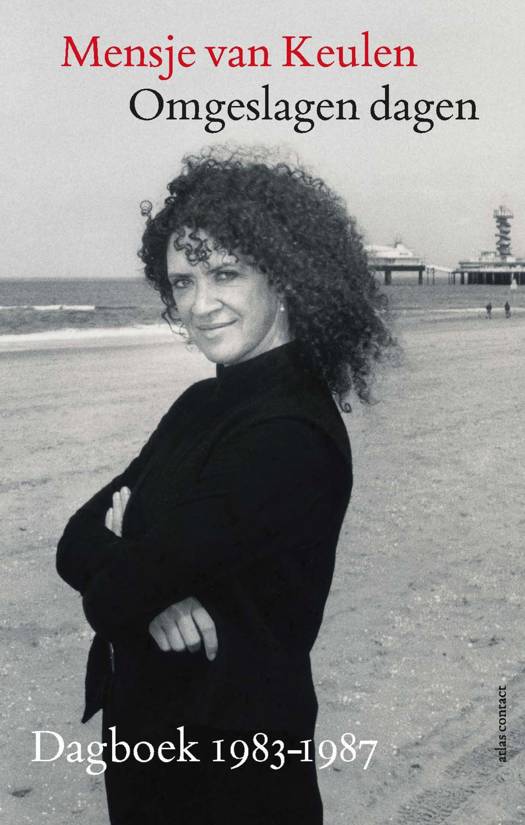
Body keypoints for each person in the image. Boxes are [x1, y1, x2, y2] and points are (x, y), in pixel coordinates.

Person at [56, 148, 394, 824]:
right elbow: (73, 540)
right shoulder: (201, 404)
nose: (200, 304)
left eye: (225, 274)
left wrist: (130, 563)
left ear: (286, 276)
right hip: (155, 744)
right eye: (182, 281)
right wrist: (151, 589)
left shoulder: (288, 433)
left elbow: (112, 592)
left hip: (233, 770)